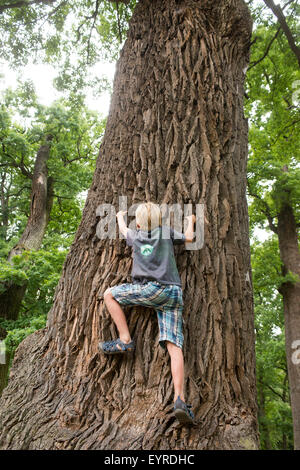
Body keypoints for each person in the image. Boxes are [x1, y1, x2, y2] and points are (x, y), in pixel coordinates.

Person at [99, 202, 196, 424]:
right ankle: (179, 399)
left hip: (150, 290)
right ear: (161, 221)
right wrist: (191, 221)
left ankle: (124, 339)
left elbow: (124, 230)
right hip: (173, 292)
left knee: (109, 295)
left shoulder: (136, 235)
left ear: (140, 223)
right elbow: (189, 238)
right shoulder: (167, 232)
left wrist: (120, 217)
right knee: (174, 345)